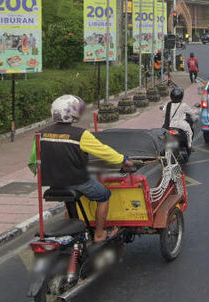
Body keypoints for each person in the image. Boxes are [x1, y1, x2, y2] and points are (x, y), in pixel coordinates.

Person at [28, 95, 137, 243]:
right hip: (77, 181)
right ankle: (99, 233)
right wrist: (123, 160)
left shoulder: (40, 134)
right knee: (104, 195)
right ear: (73, 114)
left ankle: (72, 230)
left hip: (53, 183)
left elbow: (33, 162)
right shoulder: (80, 135)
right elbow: (104, 151)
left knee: (71, 200)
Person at [162, 86, 197, 154]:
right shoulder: (183, 105)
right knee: (190, 132)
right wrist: (194, 113)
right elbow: (192, 113)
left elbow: (164, 109)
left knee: (162, 134)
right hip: (180, 125)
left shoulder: (168, 104)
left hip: (169, 125)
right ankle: (189, 146)